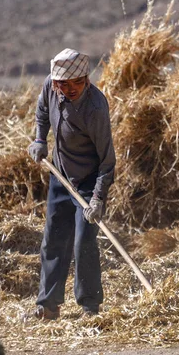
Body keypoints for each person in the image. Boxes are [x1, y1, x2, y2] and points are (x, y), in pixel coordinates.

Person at [27, 48, 116, 320]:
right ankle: (48, 305)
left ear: (87, 80)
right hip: (60, 174)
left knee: (83, 242)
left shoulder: (95, 108)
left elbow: (107, 161)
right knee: (53, 239)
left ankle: (90, 307)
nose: (72, 88)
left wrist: (97, 199)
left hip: (89, 180)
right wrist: (40, 140)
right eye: (64, 83)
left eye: (78, 82)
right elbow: (42, 112)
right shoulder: (49, 88)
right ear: (55, 83)